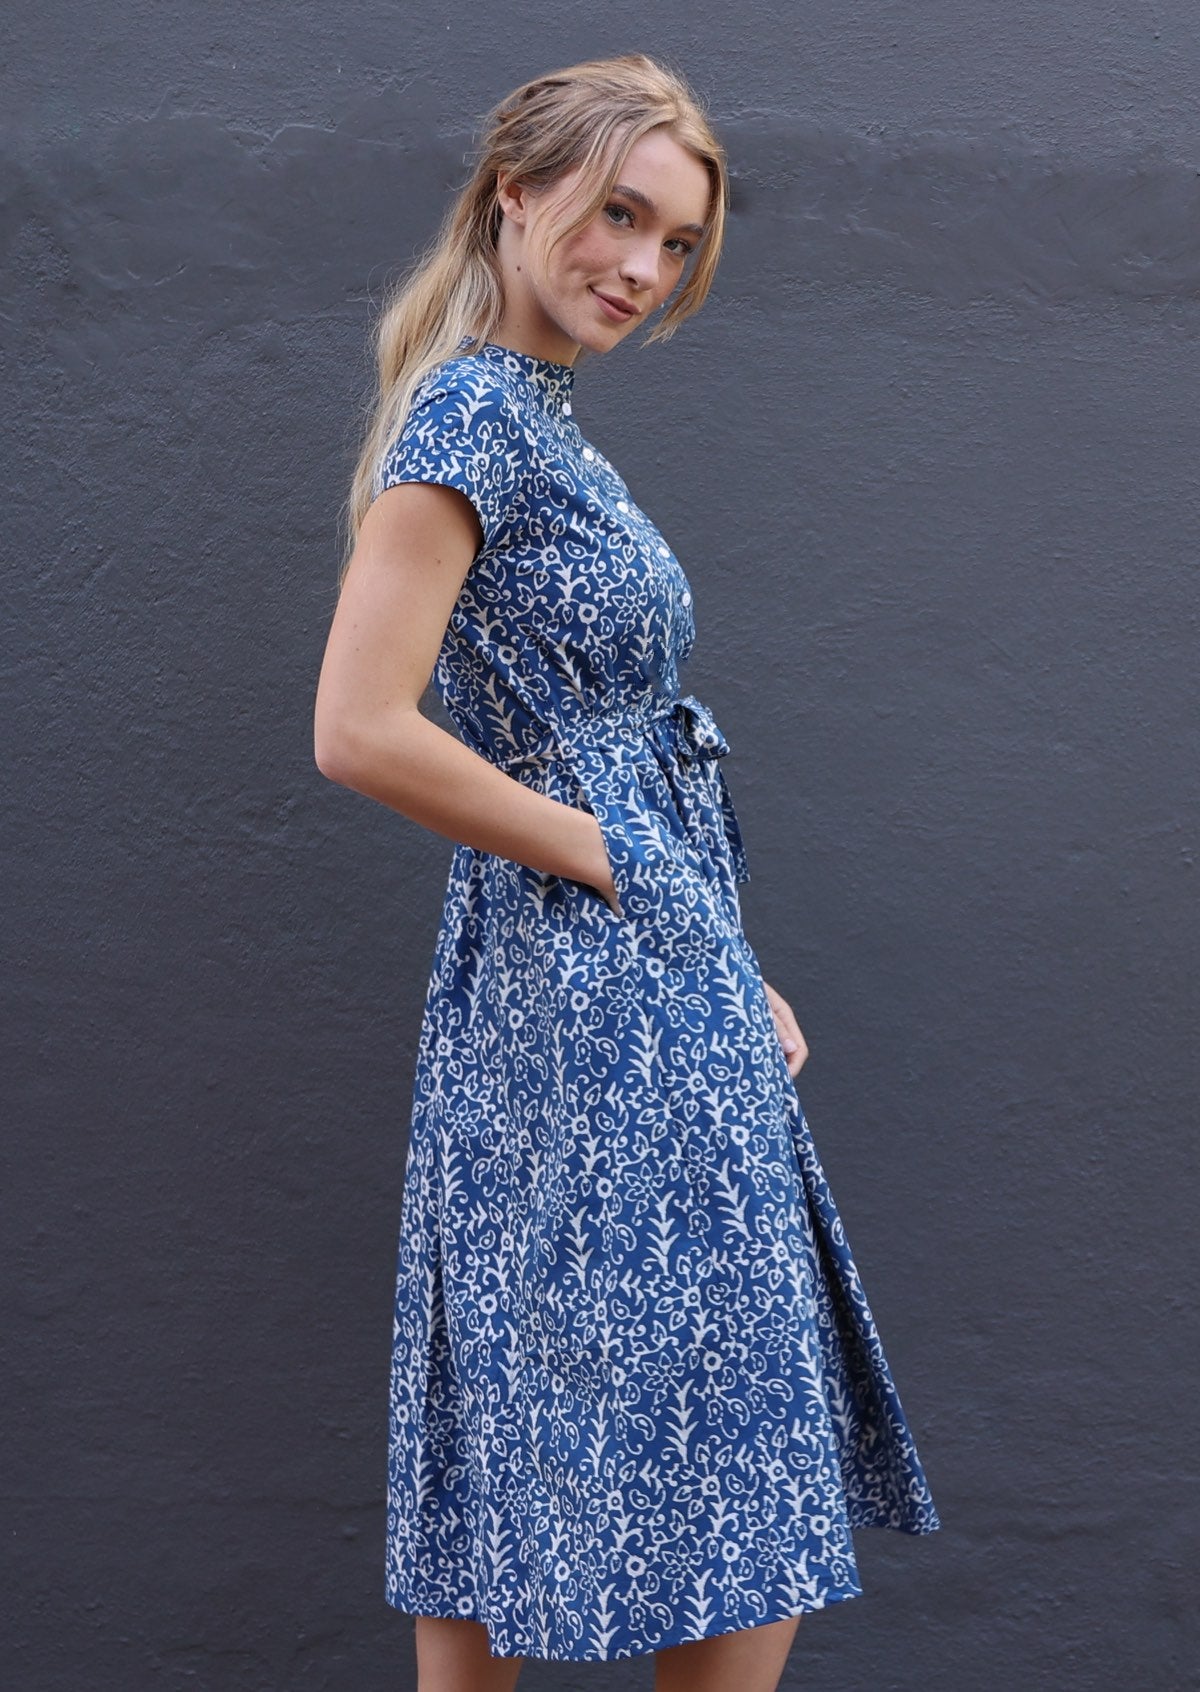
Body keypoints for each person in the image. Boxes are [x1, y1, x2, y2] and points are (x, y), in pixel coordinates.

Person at [314, 51, 941, 1692]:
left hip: (629, 969)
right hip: (586, 978)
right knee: (698, 1403)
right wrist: (629, 871)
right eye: (615, 216)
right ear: (515, 195)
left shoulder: (533, 415)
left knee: (581, 1401)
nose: (640, 270)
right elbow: (360, 729)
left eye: (671, 244)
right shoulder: (469, 409)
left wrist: (726, 956)